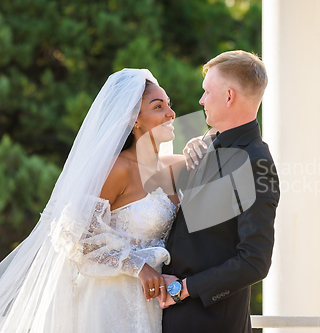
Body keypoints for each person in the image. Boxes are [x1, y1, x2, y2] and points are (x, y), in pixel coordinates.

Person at [0, 69, 185, 333]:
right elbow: (73, 235)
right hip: (109, 302)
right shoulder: (118, 169)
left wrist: (197, 148)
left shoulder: (171, 167)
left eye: (169, 105)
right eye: (158, 107)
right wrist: (139, 267)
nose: (171, 113)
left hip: (154, 303)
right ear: (134, 119)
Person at [161, 50, 280, 333]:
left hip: (210, 322)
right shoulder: (207, 142)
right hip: (172, 317)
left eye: (206, 92)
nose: (201, 100)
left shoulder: (256, 163)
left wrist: (182, 289)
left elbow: (255, 261)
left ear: (228, 96)